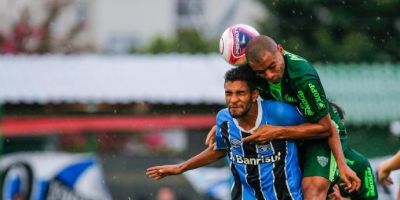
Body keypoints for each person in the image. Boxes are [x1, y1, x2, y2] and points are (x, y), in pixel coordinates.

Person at [147, 66, 307, 199]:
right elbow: (220, 149)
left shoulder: (280, 113)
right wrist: (180, 168)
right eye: (228, 93)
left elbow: (318, 129)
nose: (233, 100)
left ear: (254, 95)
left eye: (240, 93)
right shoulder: (224, 119)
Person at [240, 35, 360, 199]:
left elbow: (326, 127)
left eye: (272, 66)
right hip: (290, 136)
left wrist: (342, 164)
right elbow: (242, 100)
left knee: (312, 191)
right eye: (261, 72)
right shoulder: (254, 74)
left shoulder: (303, 77)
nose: (269, 75)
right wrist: (225, 124)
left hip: (322, 137)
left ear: (280, 50)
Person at [327, 103, 378, 200]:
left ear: (342, 123)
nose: (329, 125)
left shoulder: (359, 163)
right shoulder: (302, 156)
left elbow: (372, 198)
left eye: (334, 120)